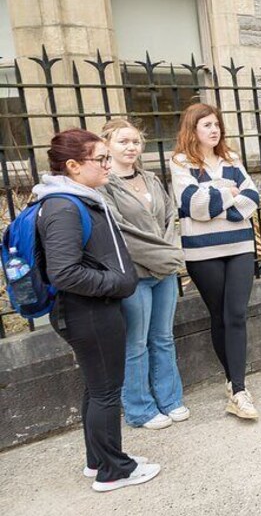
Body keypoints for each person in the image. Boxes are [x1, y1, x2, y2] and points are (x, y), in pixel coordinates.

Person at [34, 129, 160, 492]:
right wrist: (118, 283)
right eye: (101, 159)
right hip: (87, 311)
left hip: (92, 309)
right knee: (106, 391)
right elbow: (64, 271)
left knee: (97, 387)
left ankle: (98, 461)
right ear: (73, 166)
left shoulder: (79, 198)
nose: (108, 165)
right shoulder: (62, 206)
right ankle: (114, 470)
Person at [170, 103, 260, 419]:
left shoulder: (231, 159)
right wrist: (227, 192)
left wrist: (221, 204)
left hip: (239, 246)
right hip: (203, 252)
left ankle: (239, 389)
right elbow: (192, 205)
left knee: (236, 314)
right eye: (206, 124)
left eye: (216, 124)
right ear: (192, 129)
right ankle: (230, 381)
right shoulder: (180, 163)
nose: (214, 129)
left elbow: (252, 197)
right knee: (219, 316)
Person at [99, 120, 188, 430]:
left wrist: (167, 255)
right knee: (135, 343)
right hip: (135, 274)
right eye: (123, 141)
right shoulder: (104, 186)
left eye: (136, 142)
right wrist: (166, 256)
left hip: (163, 272)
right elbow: (123, 233)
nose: (131, 147)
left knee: (163, 337)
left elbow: (170, 220)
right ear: (107, 145)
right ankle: (140, 408)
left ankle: (171, 399)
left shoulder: (151, 179)